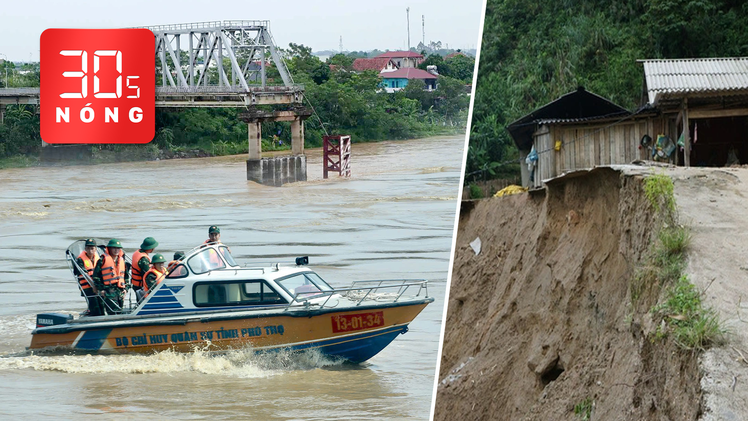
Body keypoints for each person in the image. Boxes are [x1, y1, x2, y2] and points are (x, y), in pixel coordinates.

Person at [93, 239, 130, 314]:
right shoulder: (102, 260)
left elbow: (126, 276)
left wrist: (126, 289)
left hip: (120, 291)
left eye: (118, 248)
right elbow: (96, 276)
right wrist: (101, 289)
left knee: (120, 311)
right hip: (109, 291)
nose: (116, 250)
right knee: (113, 312)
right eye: (114, 248)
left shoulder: (122, 260)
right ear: (109, 248)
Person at [75, 238, 104, 317]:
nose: (90, 250)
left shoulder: (98, 258)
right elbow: (84, 274)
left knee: (103, 306)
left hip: (97, 285)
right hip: (87, 286)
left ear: (95, 249)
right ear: (85, 249)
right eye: (88, 248)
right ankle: (93, 316)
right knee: (95, 308)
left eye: (92, 248)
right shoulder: (80, 260)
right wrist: (94, 286)